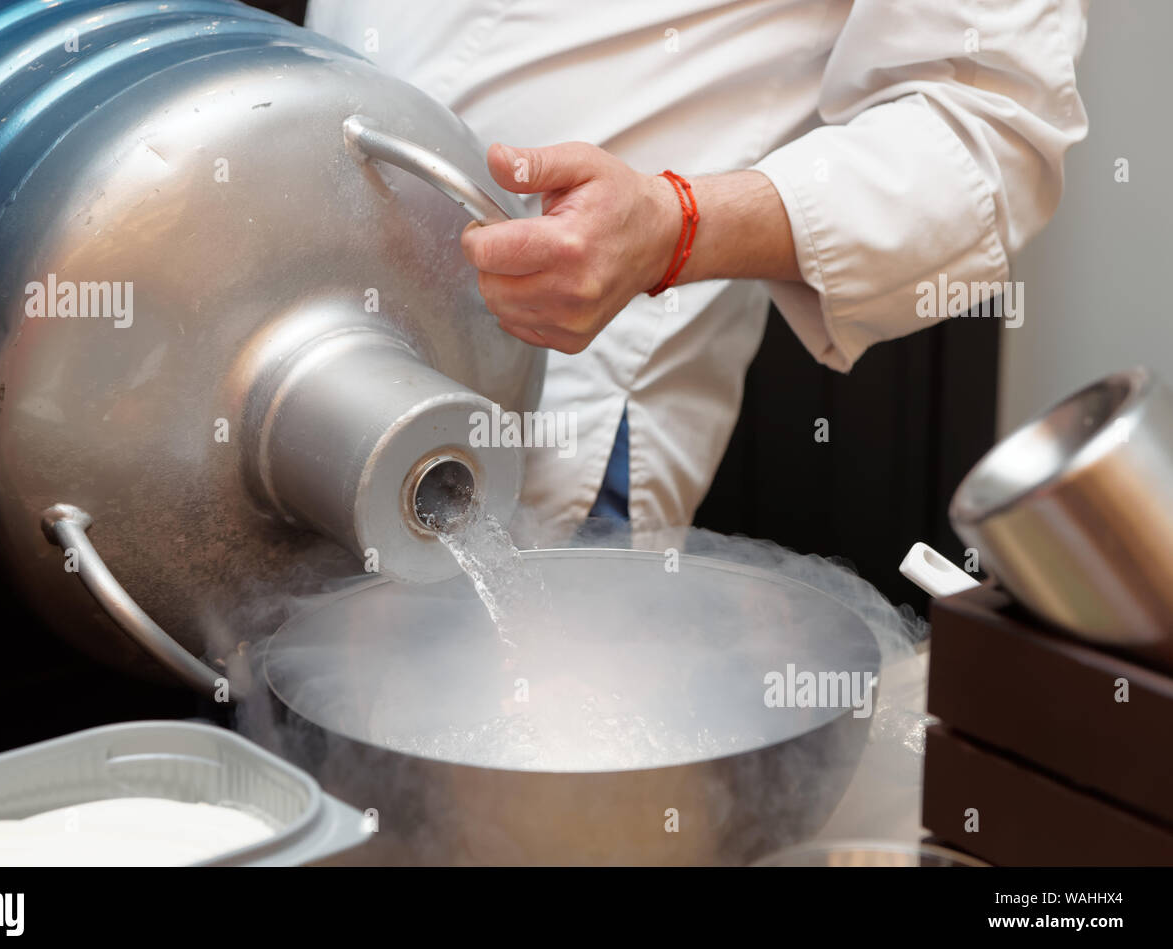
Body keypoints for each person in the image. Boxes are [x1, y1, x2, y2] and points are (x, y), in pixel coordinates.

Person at [308, 1, 1090, 545]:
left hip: (552, 417)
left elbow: (988, 136)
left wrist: (673, 227)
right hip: (291, 327)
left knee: (485, 764)